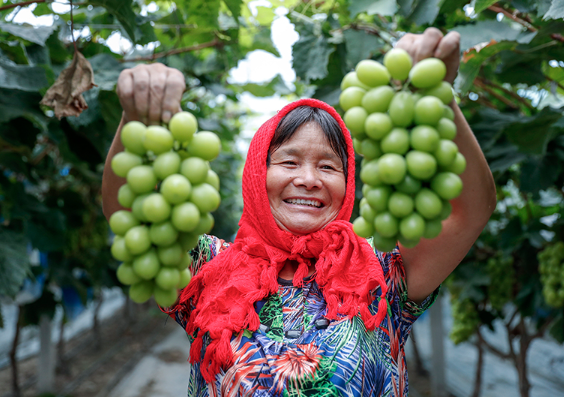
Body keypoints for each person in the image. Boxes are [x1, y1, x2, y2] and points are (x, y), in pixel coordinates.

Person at [102, 28, 496, 396]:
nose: (308, 179)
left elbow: (471, 211)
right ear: (258, 173)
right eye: (289, 163)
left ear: (350, 182)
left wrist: (439, 100)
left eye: (328, 167)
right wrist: (136, 119)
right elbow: (133, 212)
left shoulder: (382, 281)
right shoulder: (211, 268)